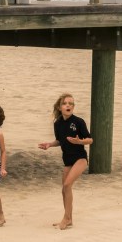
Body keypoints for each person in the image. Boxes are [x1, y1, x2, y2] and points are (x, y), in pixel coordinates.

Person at [37, 93, 92, 230]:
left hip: (80, 159)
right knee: (64, 189)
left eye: (71, 103)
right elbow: (60, 141)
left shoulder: (79, 122)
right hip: (67, 161)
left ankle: (66, 219)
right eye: (65, 103)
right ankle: (69, 219)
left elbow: (90, 140)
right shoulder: (58, 124)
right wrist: (50, 144)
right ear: (60, 107)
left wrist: (80, 141)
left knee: (67, 185)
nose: (68, 105)